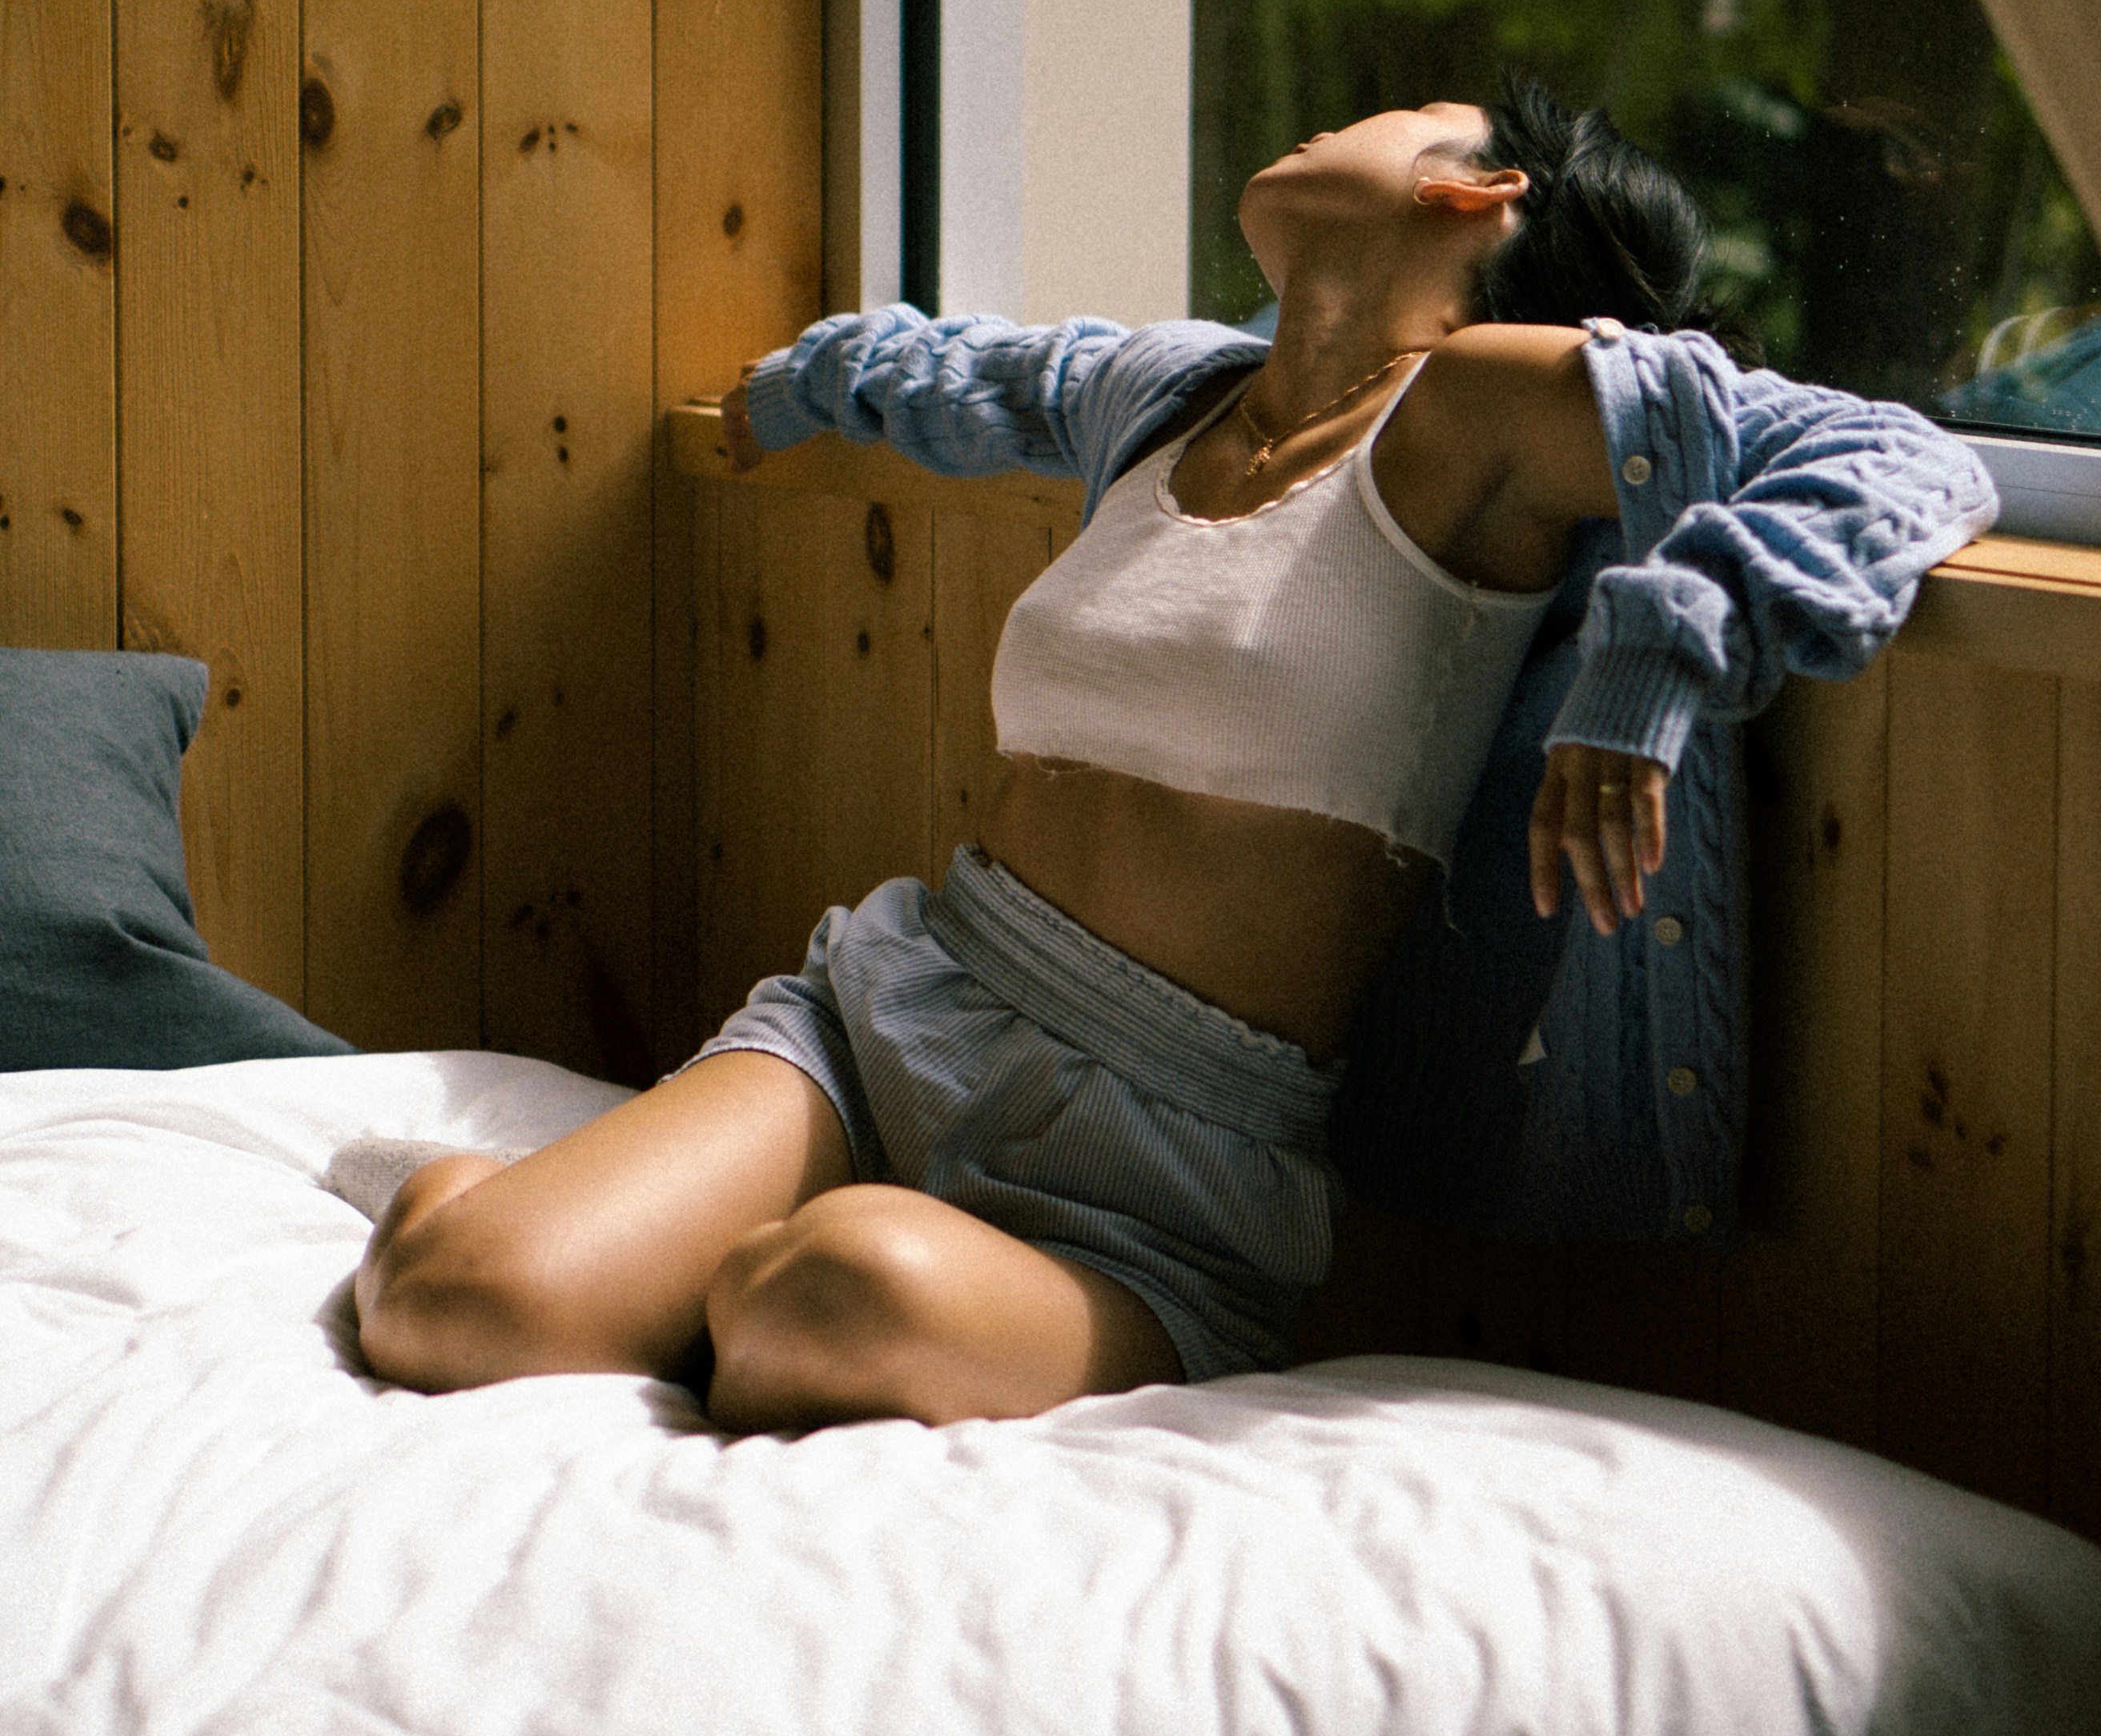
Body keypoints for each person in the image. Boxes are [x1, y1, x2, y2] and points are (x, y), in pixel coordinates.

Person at [354, 82, 1994, 1429]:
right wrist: (804, 389)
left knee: (818, 1296)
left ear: (1476, 193)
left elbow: (1886, 454)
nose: (1322, 119)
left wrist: (1661, 647)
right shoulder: (1168, 396)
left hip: (1157, 1163)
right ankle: (516, 1215)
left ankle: (760, 1262)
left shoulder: (1477, 416)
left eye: (1395, 109)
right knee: (447, 1304)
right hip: (899, 1007)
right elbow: (988, 376)